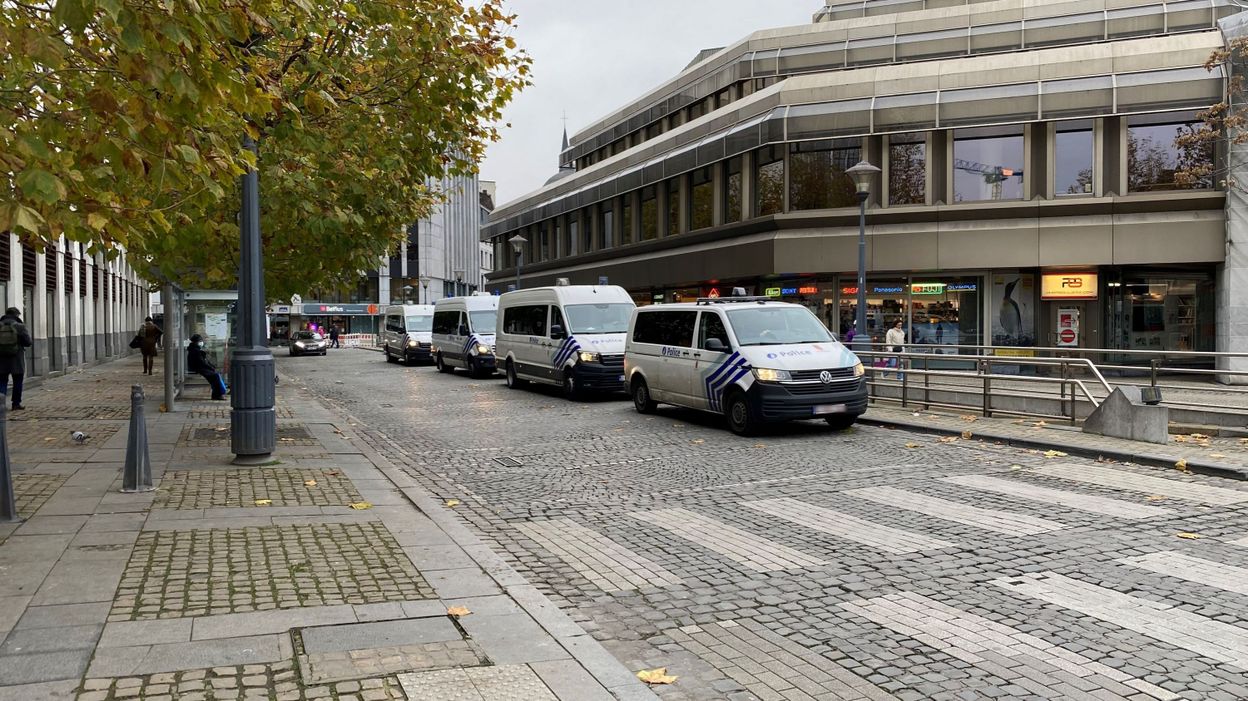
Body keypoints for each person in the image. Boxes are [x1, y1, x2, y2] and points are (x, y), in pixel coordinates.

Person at [0, 307, 33, 411]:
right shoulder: (19, 326)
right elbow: (28, 342)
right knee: (18, 381)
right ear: (17, 315)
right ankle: (16, 404)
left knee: (2, 382)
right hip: (16, 358)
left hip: (1, 359)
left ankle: (1, 404)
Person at [187, 334, 227, 400]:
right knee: (215, 376)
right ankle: (217, 395)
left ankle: (217, 394)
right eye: (200, 341)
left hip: (199, 367)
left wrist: (211, 367)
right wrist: (211, 367)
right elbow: (202, 362)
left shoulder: (195, 349)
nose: (201, 342)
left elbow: (204, 362)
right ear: (196, 342)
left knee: (214, 375)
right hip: (198, 368)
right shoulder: (195, 350)